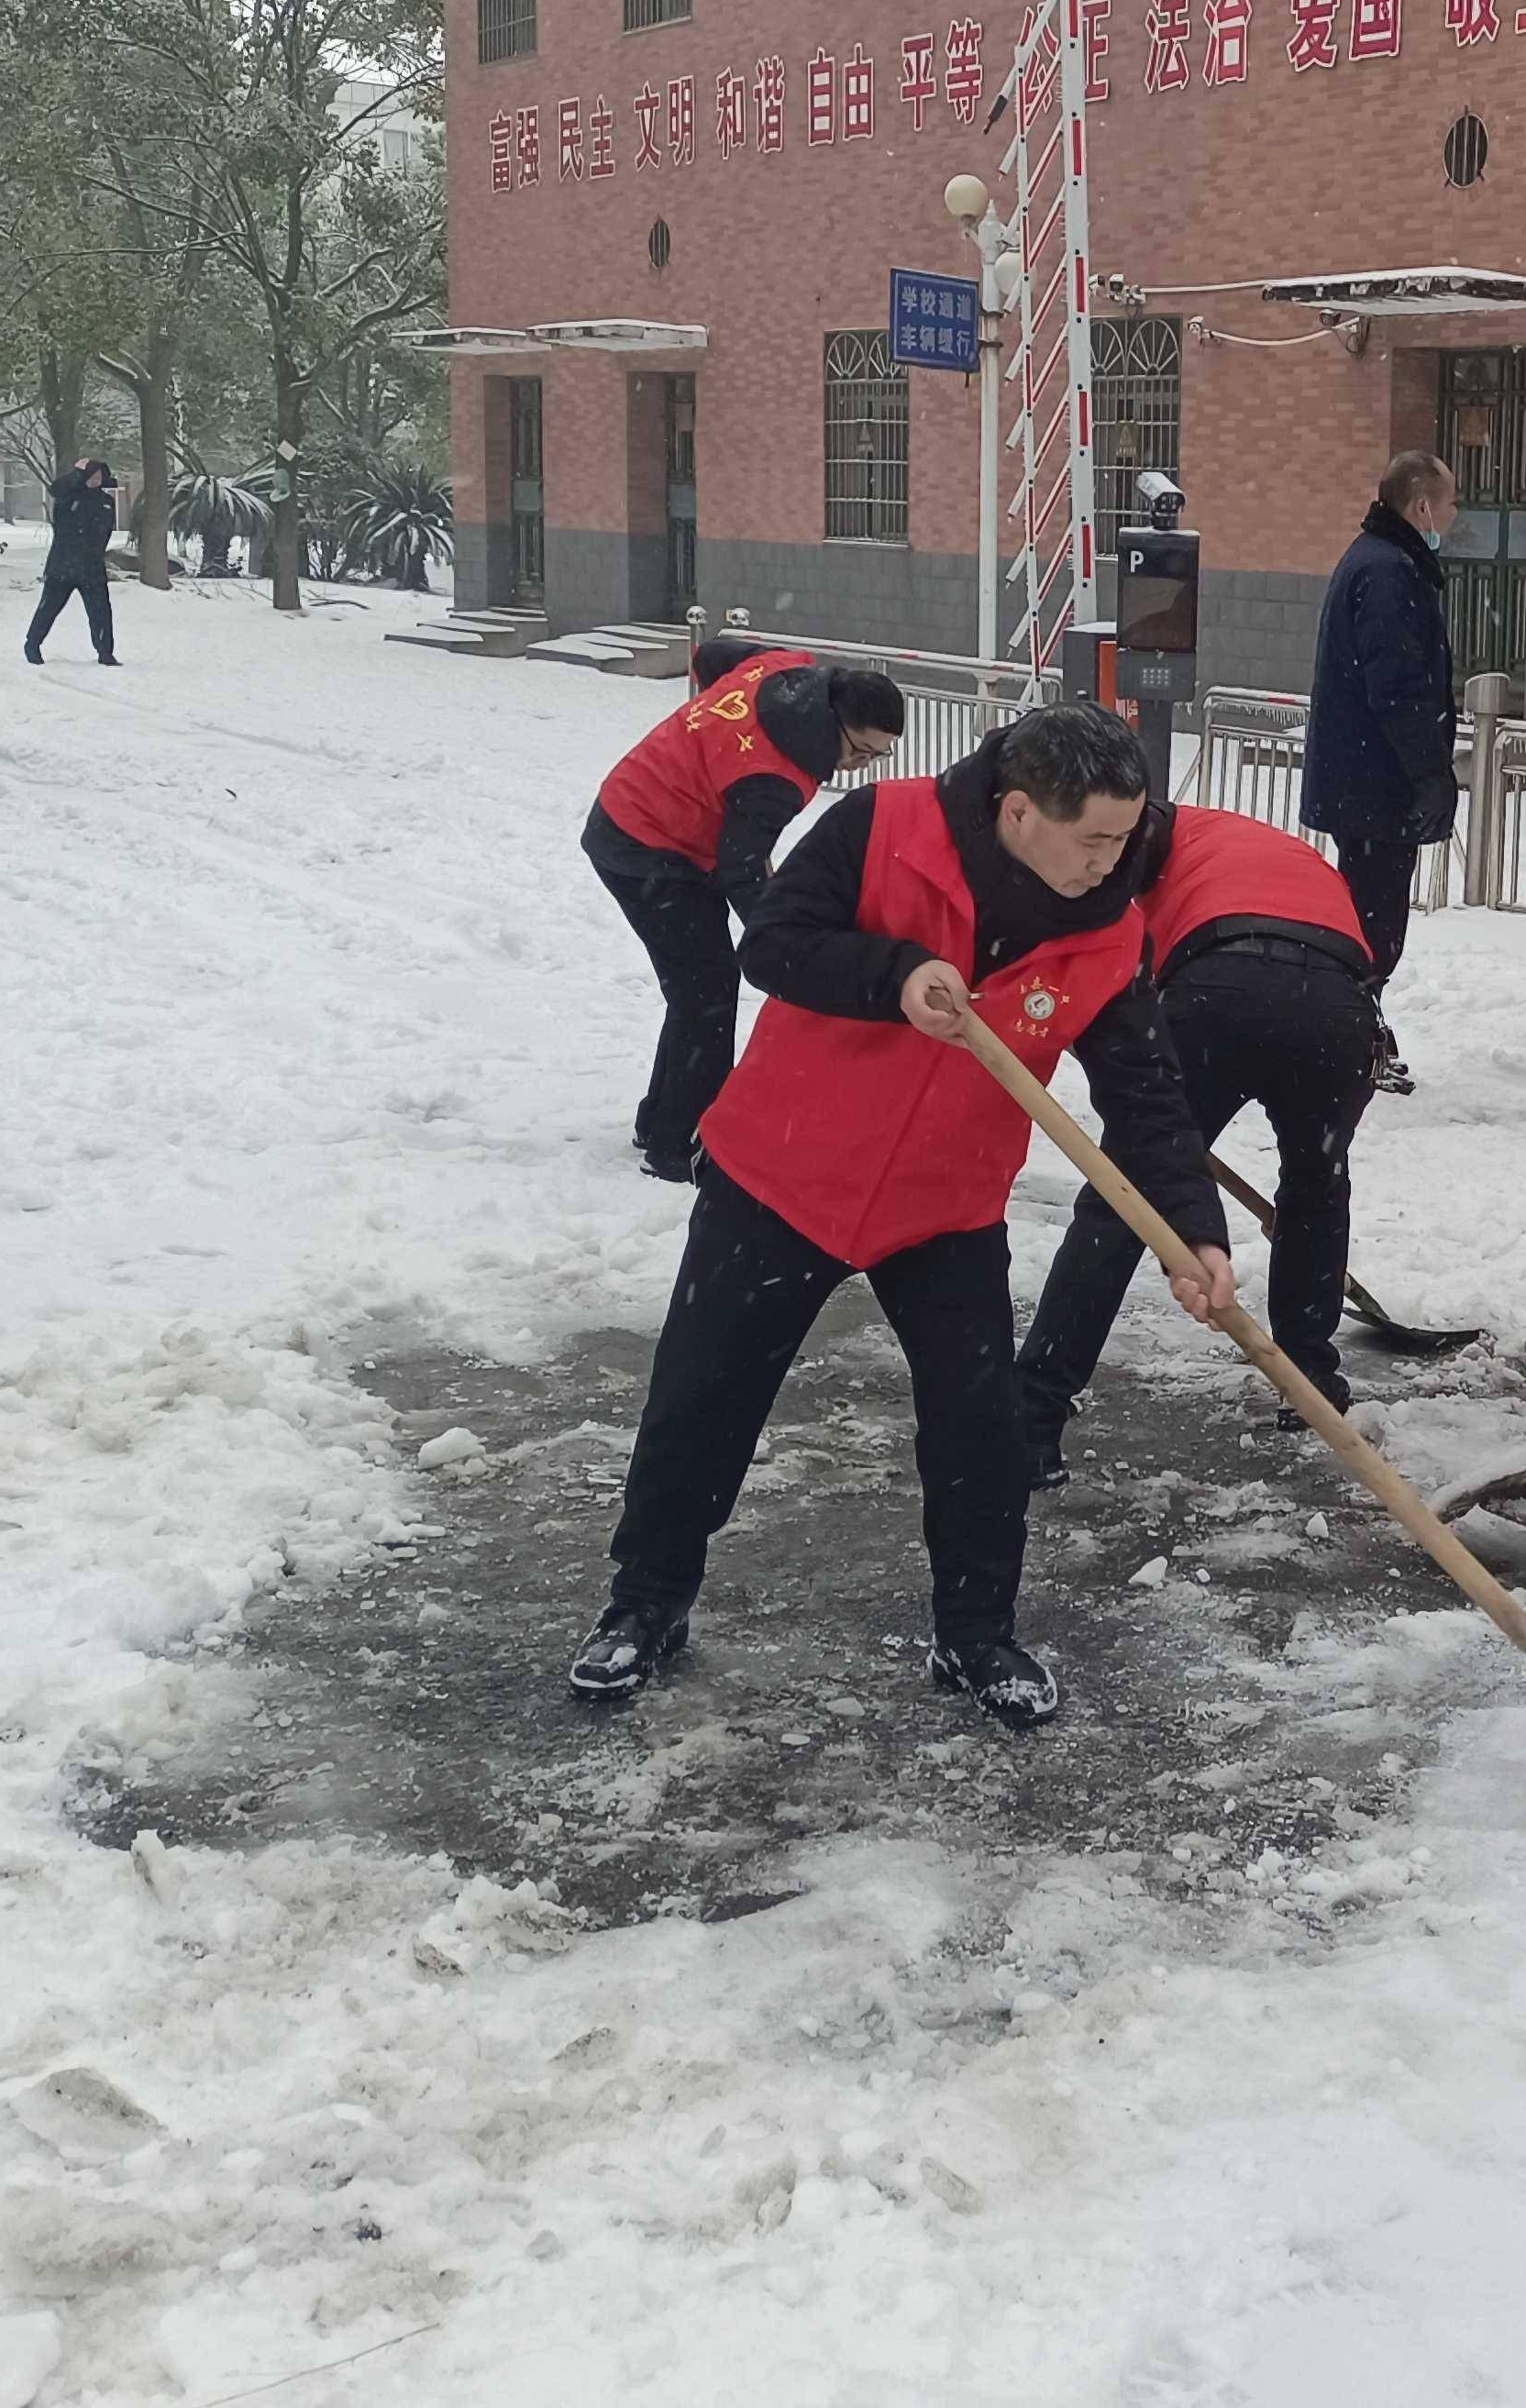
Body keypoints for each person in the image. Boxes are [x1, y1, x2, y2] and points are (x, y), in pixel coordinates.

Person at [568, 701, 1237, 1728]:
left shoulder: (1108, 929)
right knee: (703, 1398)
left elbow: (1145, 1094)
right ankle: (646, 1602)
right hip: (781, 1173)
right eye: (1094, 838)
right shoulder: (882, 827)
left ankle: (976, 1633)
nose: (1114, 859)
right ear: (1019, 811)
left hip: (944, 1204)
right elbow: (774, 945)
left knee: (980, 1429)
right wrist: (894, 973)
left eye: (1127, 835)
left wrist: (1192, 1229)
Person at [1018, 803, 1379, 1478]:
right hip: (1337, 1008)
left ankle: (1033, 1415)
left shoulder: (1142, 857)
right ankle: (1310, 1380)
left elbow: (1122, 989)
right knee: (1316, 1188)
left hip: (1218, 987)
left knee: (1125, 1200)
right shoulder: (1254, 843)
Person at [581, 635, 906, 1181]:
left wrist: (707, 739)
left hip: (654, 818)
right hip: (642, 845)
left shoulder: (785, 667)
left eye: (880, 756)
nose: (861, 766)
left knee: (698, 986)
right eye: (862, 751)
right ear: (833, 718)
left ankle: (662, 1121)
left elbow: (711, 654)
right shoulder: (772, 777)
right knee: (706, 990)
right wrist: (785, 943)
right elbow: (743, 871)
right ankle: (676, 1146)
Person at [1302, 451, 1459, 1097]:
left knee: (1371, 914)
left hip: (1363, 778)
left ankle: (1353, 1029)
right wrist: (1429, 773)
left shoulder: (1379, 560)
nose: (1454, 516)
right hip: (1375, 783)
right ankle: (1345, 1034)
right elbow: (1397, 686)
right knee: (1375, 923)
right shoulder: (1390, 572)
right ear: (1421, 506)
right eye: (1449, 503)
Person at [24, 458, 122, 668]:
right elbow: (56, 490)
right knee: (49, 608)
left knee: (100, 611)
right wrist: (76, 474)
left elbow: (105, 530)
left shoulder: (105, 501)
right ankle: (33, 644)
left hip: (92, 567)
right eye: (92, 475)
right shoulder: (67, 496)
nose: (96, 479)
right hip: (63, 565)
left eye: (100, 476)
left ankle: (105, 652)